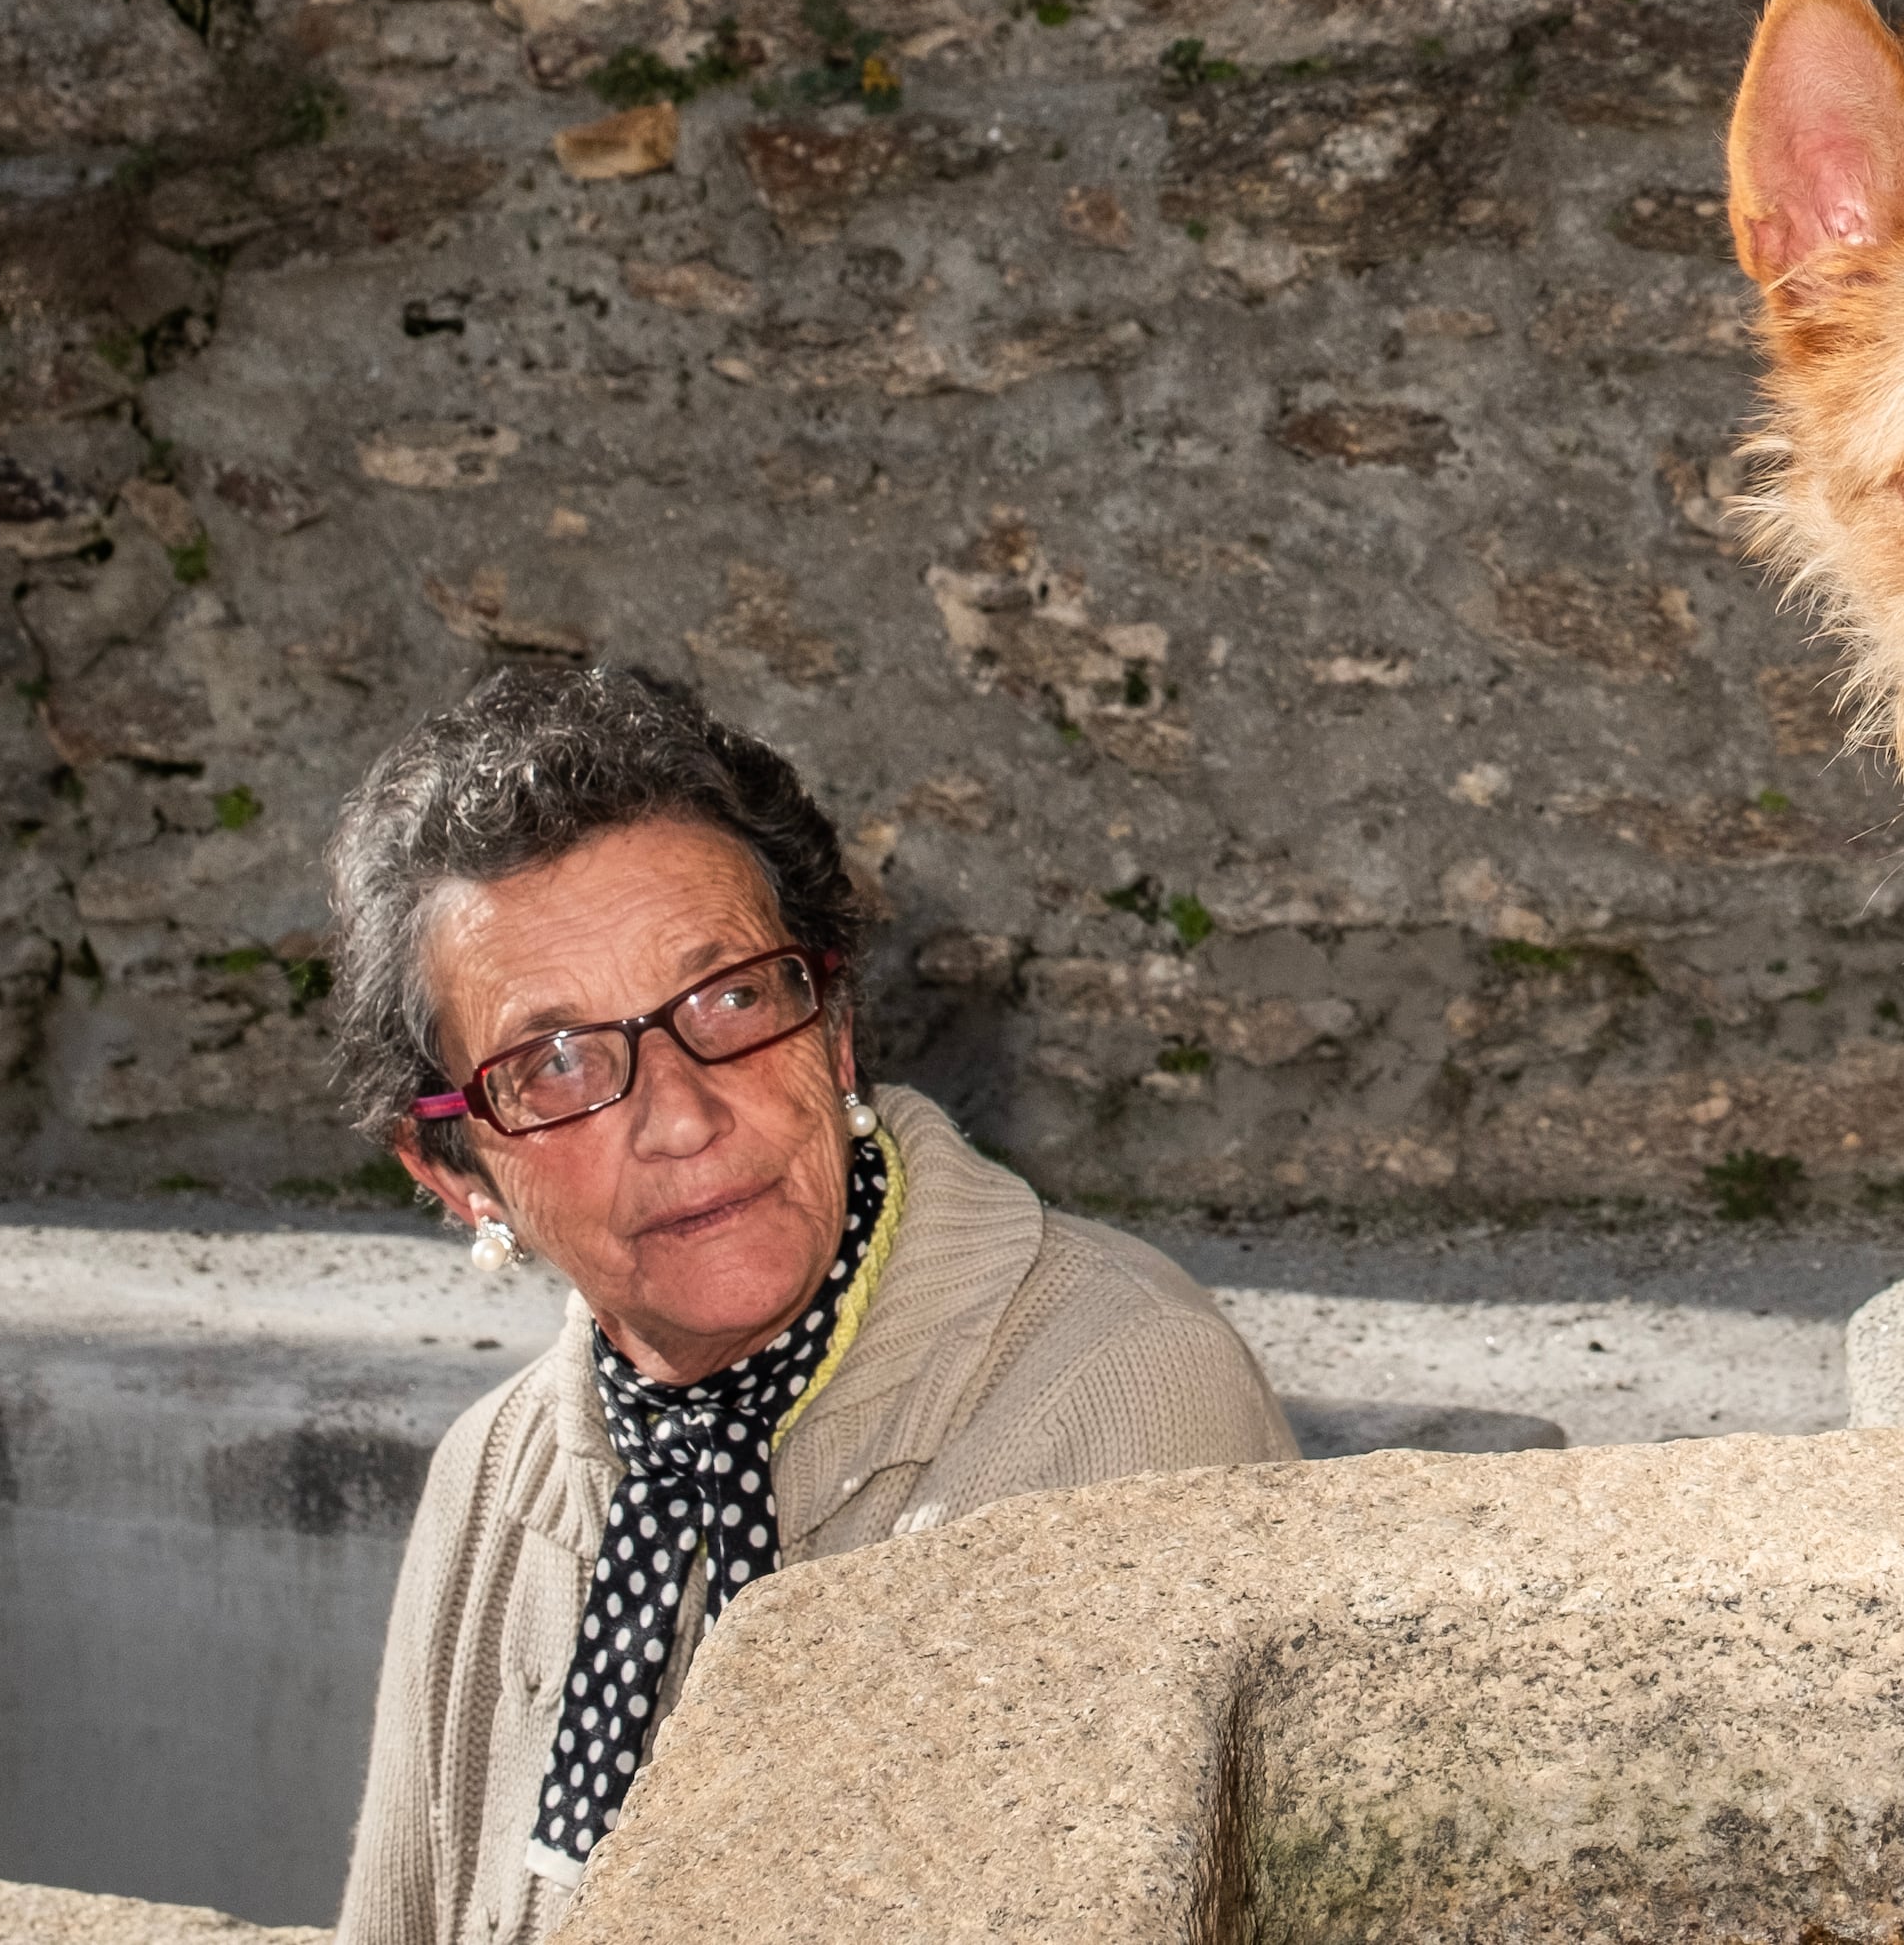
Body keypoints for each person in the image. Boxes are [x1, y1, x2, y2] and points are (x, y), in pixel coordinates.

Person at [322, 661, 1290, 1945]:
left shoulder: (1114, 1402)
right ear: (455, 1172)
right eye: (554, 1063)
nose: (682, 1114)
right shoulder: (490, 1482)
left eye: (727, 998)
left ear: (832, 1032)